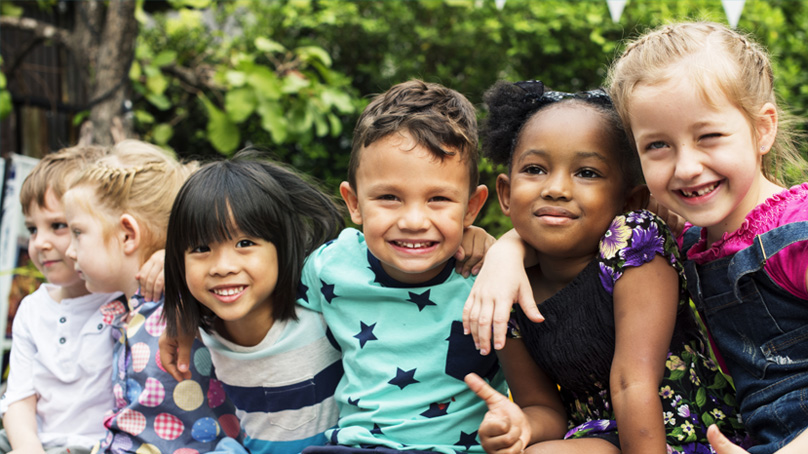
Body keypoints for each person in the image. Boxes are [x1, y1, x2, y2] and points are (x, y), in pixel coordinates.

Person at [462, 80, 746, 454]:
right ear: (505, 192)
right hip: (596, 437)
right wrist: (519, 426)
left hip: (676, 433)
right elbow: (543, 408)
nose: (556, 188)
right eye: (535, 169)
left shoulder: (633, 241)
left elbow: (633, 382)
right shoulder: (507, 291)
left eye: (587, 173)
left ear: (630, 200)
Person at [606, 22, 808, 454]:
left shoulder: (797, 234)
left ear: (762, 129)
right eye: (658, 145)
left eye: (709, 136)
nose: (686, 168)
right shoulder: (685, 243)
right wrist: (506, 251)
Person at [295, 79, 504, 454]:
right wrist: (173, 264)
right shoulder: (330, 266)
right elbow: (256, 293)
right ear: (354, 203)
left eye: (438, 199)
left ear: (471, 207)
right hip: (357, 448)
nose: (412, 220)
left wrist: (509, 250)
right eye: (389, 197)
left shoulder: (492, 276)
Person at [61, 140, 246, 454]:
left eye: (77, 232)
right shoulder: (126, 310)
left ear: (128, 235)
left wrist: (172, 264)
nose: (69, 250)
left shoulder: (189, 298)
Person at [160, 151, 345, 454]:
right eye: (202, 248)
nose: (222, 266)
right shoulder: (205, 327)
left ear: (282, 245)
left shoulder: (321, 305)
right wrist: (179, 312)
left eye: (245, 243)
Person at [0, 145, 120, 454]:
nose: (39, 243)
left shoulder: (128, 299)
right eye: (32, 228)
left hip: (103, 446)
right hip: (39, 442)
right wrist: (28, 449)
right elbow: (19, 398)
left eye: (58, 226)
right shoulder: (32, 310)